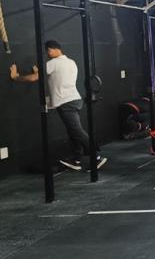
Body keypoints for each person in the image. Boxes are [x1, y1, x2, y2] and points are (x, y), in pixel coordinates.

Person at [10, 40, 106, 171]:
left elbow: (34, 78)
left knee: (76, 131)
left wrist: (16, 77)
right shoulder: (71, 62)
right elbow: (57, 78)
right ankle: (77, 160)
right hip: (75, 100)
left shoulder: (53, 63)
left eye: (48, 51)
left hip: (66, 103)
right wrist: (40, 72)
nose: (48, 54)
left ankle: (96, 157)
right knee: (73, 131)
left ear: (51, 49)